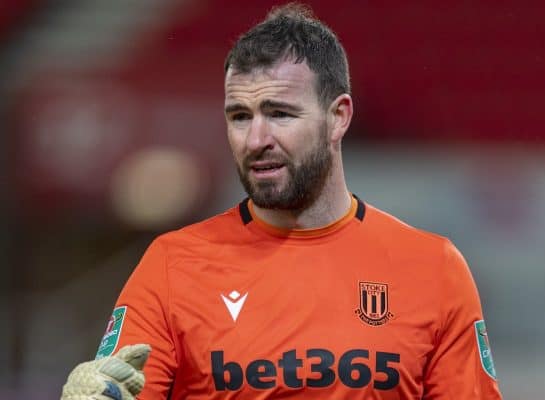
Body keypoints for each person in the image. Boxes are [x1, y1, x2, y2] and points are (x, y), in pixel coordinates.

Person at [61, 3, 503, 399]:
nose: (256, 140)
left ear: (338, 117)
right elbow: (118, 390)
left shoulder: (433, 269)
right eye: (240, 116)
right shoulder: (172, 267)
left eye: (279, 113)